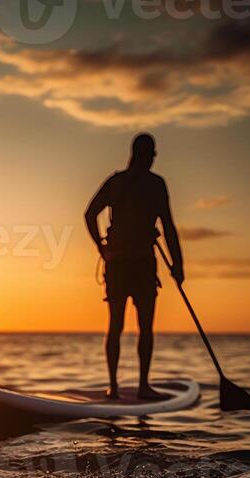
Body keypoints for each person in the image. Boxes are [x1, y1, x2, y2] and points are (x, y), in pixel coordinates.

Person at [85, 133, 184, 400]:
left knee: (117, 324)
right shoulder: (154, 184)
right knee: (141, 326)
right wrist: (178, 265)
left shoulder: (118, 182)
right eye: (151, 155)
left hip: (120, 263)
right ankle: (138, 386)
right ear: (145, 155)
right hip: (135, 264)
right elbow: (168, 227)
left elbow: (90, 214)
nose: (152, 160)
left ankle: (117, 387)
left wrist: (102, 248)